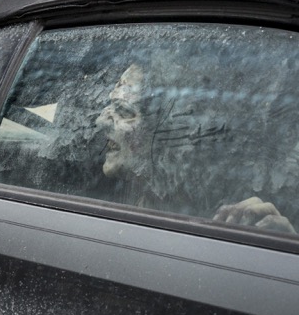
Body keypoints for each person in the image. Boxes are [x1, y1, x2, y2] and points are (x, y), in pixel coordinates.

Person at [95, 62, 295, 234]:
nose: (100, 120)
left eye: (123, 111)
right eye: (109, 108)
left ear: (165, 136)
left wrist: (283, 248)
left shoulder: (233, 218)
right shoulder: (106, 191)